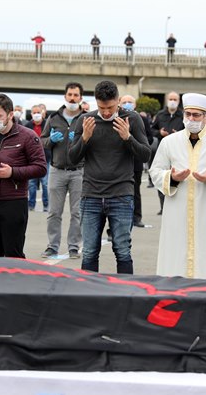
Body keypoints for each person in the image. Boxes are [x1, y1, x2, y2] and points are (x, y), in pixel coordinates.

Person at [150, 93, 206, 280]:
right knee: (177, 256)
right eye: (188, 115)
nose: (191, 119)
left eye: (196, 115)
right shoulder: (169, 142)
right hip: (178, 210)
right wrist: (172, 177)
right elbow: (155, 171)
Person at [69, 80, 151, 274]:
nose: (106, 112)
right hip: (91, 195)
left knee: (122, 250)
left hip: (121, 194)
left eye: (111, 107)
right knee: (89, 252)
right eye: (101, 108)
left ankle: (125, 296)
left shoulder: (132, 119)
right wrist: (84, 138)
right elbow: (72, 158)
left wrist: (127, 137)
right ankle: (89, 297)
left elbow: (146, 154)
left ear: (118, 101)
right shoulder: (85, 120)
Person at [0, 93, 47, 257]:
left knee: (13, 254)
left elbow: (40, 168)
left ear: (10, 114)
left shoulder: (27, 136)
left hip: (13, 202)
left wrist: (12, 172)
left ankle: (15, 282)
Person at [40, 83, 86, 259]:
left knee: (77, 212)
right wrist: (50, 140)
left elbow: (93, 143)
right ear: (65, 96)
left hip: (79, 171)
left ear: (81, 98)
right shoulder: (53, 118)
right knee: (54, 212)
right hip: (57, 170)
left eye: (76, 95)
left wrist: (81, 140)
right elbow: (41, 140)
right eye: (70, 95)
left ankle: (74, 246)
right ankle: (52, 246)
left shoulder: (86, 118)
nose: (72, 98)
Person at [120, 94, 153, 228]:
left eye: (130, 102)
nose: (127, 104)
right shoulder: (116, 118)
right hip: (120, 161)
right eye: (124, 102)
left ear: (135, 105)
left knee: (135, 191)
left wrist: (134, 141)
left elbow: (149, 138)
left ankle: (136, 217)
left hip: (136, 161)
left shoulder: (142, 119)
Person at [151, 91, 184, 215]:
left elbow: (188, 131)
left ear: (179, 101)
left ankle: (176, 206)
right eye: (170, 99)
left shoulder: (182, 115)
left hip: (179, 151)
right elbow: (152, 129)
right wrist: (159, 133)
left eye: (175, 99)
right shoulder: (160, 115)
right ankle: (163, 206)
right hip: (163, 150)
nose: (173, 101)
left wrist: (179, 134)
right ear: (166, 100)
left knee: (177, 178)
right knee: (162, 176)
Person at [25, 104, 50, 212]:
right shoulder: (27, 126)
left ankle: (46, 204)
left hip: (45, 158)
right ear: (31, 114)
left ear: (42, 113)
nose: (36, 115)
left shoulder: (48, 125)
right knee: (31, 183)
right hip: (31, 159)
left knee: (45, 183)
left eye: (38, 112)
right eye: (34, 113)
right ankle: (31, 205)